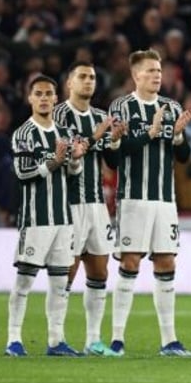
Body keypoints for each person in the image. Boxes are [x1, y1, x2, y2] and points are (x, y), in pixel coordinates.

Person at [108, 50, 191, 356]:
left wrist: (180, 138)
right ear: (135, 76)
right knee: (130, 262)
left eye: (159, 70)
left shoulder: (171, 107)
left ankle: (169, 341)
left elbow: (185, 157)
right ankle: (117, 339)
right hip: (133, 198)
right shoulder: (122, 106)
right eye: (150, 71)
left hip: (165, 200)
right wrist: (152, 132)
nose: (157, 75)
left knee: (166, 262)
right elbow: (116, 155)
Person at [6, 75, 88, 356]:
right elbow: (22, 173)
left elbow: (73, 174)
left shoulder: (64, 134)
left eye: (48, 94)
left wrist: (76, 158)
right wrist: (53, 161)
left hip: (62, 219)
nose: (43, 98)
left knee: (59, 282)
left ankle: (56, 340)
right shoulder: (23, 133)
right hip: (36, 218)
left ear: (56, 98)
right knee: (25, 280)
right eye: (38, 93)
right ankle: (13, 340)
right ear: (30, 98)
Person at [53, 62, 127, 356]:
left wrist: (116, 141)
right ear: (69, 83)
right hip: (69, 204)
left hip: (97, 204)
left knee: (99, 270)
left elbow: (112, 162)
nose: (88, 81)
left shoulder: (100, 116)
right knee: (66, 272)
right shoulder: (59, 114)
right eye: (82, 77)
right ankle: (55, 339)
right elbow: (71, 150)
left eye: (92, 77)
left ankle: (93, 340)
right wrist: (98, 137)